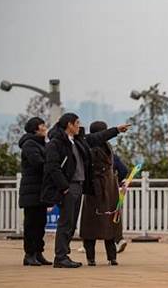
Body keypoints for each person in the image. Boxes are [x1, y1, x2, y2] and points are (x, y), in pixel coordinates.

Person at [42, 112, 129, 268]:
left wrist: (116, 130)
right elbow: (52, 167)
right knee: (66, 222)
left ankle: (64, 256)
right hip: (69, 187)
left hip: (79, 186)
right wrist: (64, 187)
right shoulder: (56, 143)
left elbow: (97, 137)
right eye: (76, 123)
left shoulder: (78, 141)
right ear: (69, 125)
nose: (79, 126)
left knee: (71, 222)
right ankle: (60, 257)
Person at [80, 121, 130, 266]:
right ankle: (99, 257)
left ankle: (107, 257)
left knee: (106, 222)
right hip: (97, 188)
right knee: (96, 224)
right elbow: (122, 169)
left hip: (107, 187)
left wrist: (121, 181)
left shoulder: (101, 146)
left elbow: (122, 170)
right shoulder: (90, 145)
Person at [19, 117, 51, 266]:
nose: (45, 128)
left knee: (41, 223)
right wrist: (52, 165)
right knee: (31, 224)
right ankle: (29, 254)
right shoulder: (29, 144)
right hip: (31, 190)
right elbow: (38, 163)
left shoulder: (42, 144)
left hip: (40, 190)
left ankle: (38, 252)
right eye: (42, 125)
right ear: (36, 129)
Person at [113, 154, 129, 253]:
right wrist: (117, 181)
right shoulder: (113, 156)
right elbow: (124, 170)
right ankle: (119, 239)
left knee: (92, 215)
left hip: (96, 189)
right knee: (115, 213)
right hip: (113, 188)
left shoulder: (92, 153)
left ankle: (87, 244)